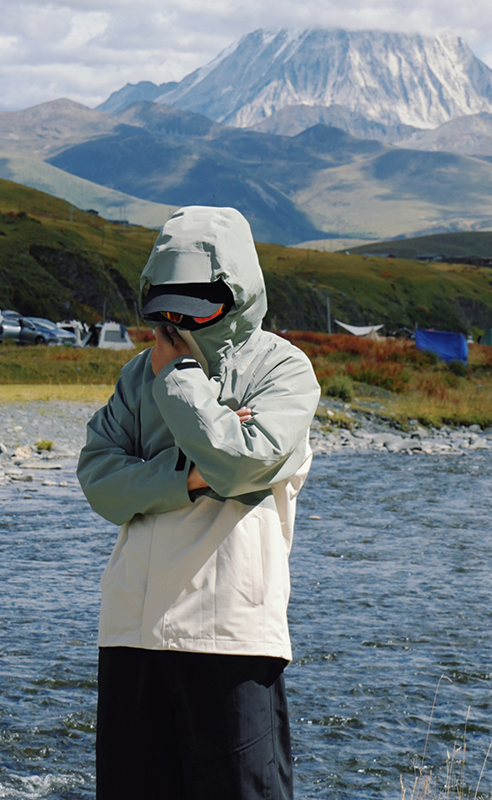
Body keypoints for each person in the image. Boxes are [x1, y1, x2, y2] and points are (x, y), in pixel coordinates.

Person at [77, 205, 320, 800]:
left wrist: (181, 381)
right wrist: (190, 478)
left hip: (229, 631)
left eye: (194, 304)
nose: (175, 320)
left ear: (236, 294)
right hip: (132, 628)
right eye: (162, 305)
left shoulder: (283, 369)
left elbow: (243, 462)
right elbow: (98, 477)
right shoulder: (137, 376)